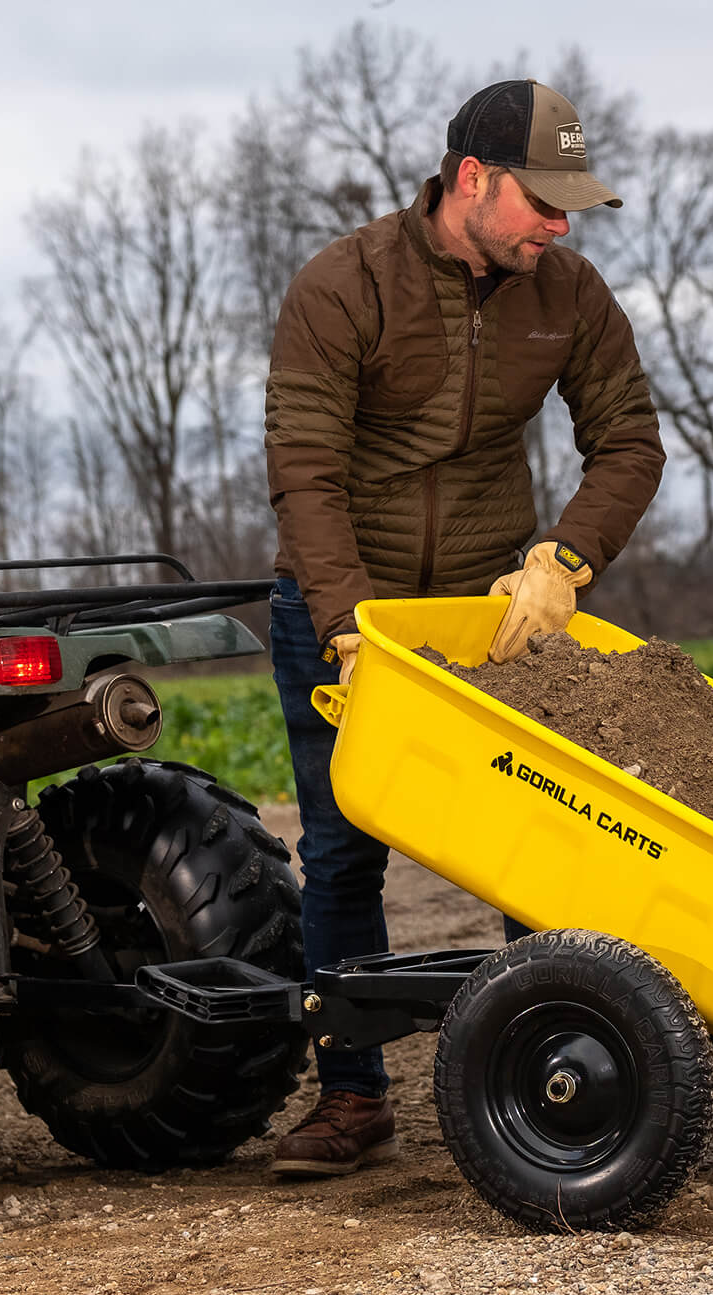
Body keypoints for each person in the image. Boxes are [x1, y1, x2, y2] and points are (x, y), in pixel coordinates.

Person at [264, 77, 665, 1176]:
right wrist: (348, 624)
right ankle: (352, 1098)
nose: (558, 224)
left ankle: (553, 1073)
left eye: (570, 207)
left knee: (534, 841)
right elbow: (304, 475)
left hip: (495, 616)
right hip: (352, 612)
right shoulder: (343, 286)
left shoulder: (567, 294)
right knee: (343, 852)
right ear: (472, 179)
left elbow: (629, 440)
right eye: (543, 201)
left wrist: (563, 559)